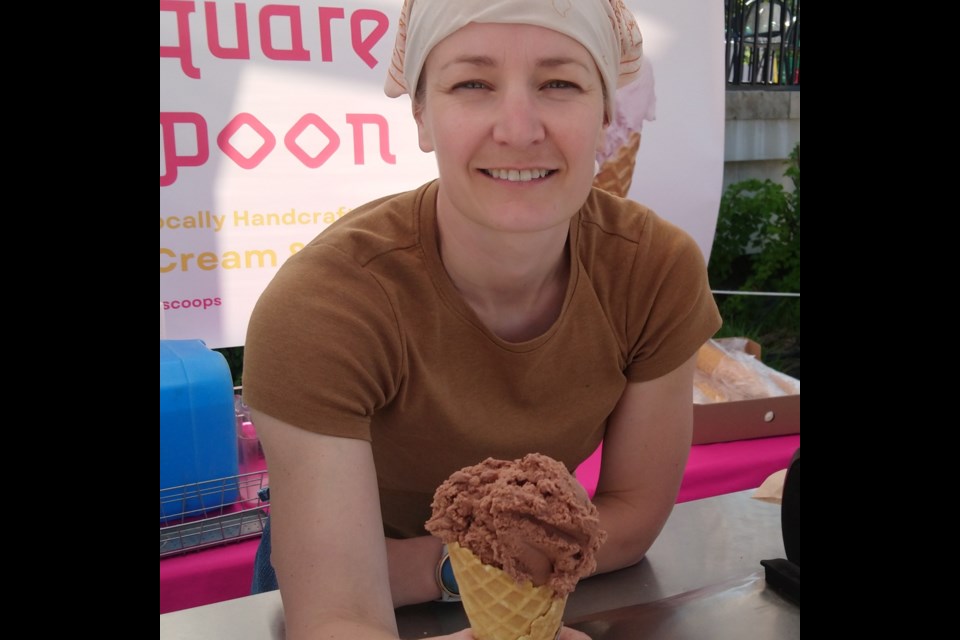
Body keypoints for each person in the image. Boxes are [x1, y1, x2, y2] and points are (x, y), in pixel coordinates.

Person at [242, 1, 722, 638]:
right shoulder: (327, 305)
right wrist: (462, 571)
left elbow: (630, 519)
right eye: (473, 83)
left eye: (560, 83)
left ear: (605, 112)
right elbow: (336, 609)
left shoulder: (654, 270)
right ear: (421, 115)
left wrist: (470, 575)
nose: (519, 129)